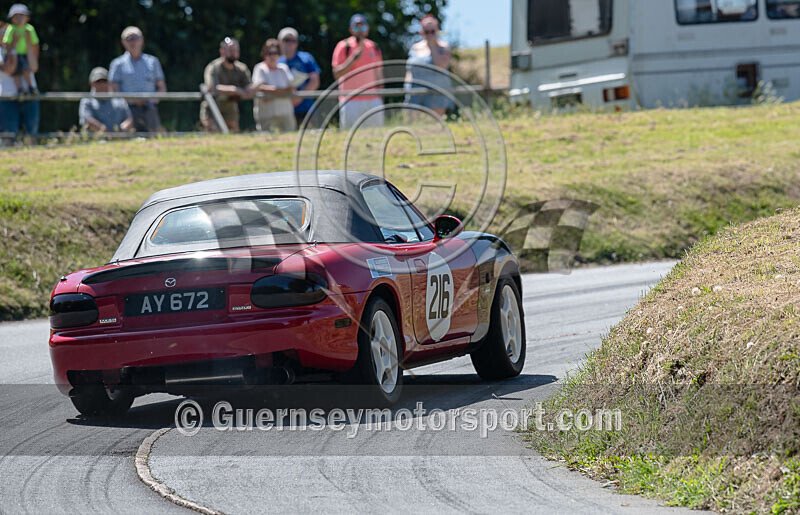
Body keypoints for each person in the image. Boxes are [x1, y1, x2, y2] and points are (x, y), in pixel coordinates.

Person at [108, 26, 166, 132]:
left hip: (150, 108)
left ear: (142, 40)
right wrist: (133, 100)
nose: (133, 42)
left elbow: (162, 88)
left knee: (155, 135)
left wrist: (149, 101)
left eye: (136, 38)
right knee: (124, 132)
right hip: (126, 110)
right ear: (123, 42)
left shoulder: (153, 62)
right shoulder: (117, 64)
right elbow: (113, 91)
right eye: (129, 38)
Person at [331, 13, 384, 129]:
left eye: (363, 27)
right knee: (350, 136)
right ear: (351, 30)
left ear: (367, 29)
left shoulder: (374, 47)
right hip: (350, 100)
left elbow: (379, 75)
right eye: (356, 27)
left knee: (376, 136)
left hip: (373, 100)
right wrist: (352, 59)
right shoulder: (343, 46)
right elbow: (336, 74)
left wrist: (381, 97)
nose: (360, 30)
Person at [405, 14, 452, 118]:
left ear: (437, 30)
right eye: (427, 31)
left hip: (436, 93)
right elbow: (409, 70)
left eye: (432, 31)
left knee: (435, 125)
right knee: (415, 125)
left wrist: (432, 46)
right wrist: (406, 88)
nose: (430, 34)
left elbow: (441, 66)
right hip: (415, 93)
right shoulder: (415, 47)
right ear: (422, 32)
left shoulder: (444, 47)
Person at [200, 37, 251, 132]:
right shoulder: (213, 67)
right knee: (212, 135)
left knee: (233, 136)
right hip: (212, 107)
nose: (234, 53)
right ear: (222, 51)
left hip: (231, 109)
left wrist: (247, 90)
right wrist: (234, 90)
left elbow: (248, 89)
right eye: (231, 50)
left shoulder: (241, 68)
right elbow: (211, 87)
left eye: (236, 50)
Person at [0, 20, 38, 140]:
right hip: (8, 98)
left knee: (31, 135)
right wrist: (14, 48)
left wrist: (27, 42)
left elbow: (34, 67)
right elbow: (11, 69)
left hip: (29, 96)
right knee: (10, 136)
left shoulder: (26, 50)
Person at [277, 27, 321, 127]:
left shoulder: (306, 58)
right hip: (283, 110)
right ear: (279, 42)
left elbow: (315, 81)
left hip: (307, 109)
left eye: (293, 40)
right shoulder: (275, 61)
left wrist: (299, 97)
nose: (290, 43)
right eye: (286, 40)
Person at [252, 38, 296, 132]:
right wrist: (283, 91)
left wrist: (273, 92)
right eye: (269, 53)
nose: (272, 56)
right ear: (264, 54)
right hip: (267, 115)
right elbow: (259, 87)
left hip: (285, 113)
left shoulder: (284, 68)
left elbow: (292, 87)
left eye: (275, 53)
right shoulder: (260, 68)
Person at [79, 67, 133, 132]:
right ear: (91, 83)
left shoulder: (118, 99)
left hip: (120, 138)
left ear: (109, 82)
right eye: (98, 81)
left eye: (104, 81)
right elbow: (88, 121)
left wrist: (121, 131)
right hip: (96, 140)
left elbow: (129, 119)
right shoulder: (87, 101)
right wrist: (107, 133)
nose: (101, 84)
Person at [2, 4, 37, 95]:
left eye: (21, 16)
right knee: (16, 73)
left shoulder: (30, 29)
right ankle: (20, 89)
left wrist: (28, 43)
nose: (19, 19)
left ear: (27, 18)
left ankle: (31, 88)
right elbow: (6, 44)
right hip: (15, 55)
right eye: (16, 17)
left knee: (26, 70)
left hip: (24, 55)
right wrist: (13, 45)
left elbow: (34, 66)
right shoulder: (11, 28)